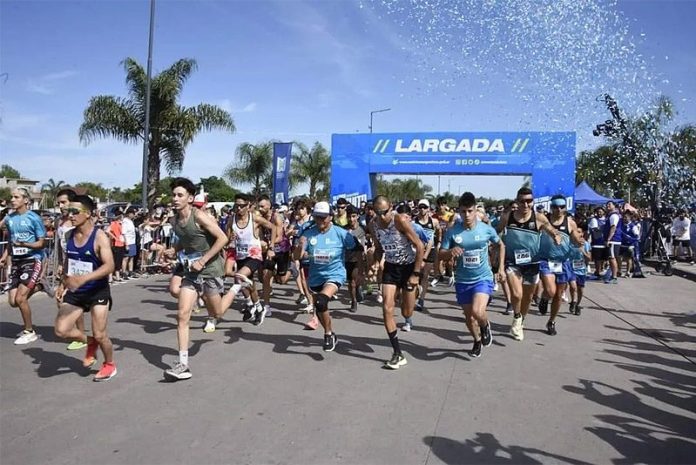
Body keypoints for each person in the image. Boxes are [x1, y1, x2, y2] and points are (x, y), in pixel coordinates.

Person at [163, 178, 227, 382]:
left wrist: (204, 260)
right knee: (182, 315)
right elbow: (185, 241)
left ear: (190, 198)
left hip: (210, 269)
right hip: (191, 271)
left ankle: (237, 286)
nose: (175, 198)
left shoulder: (199, 216)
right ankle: (183, 363)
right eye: (173, 195)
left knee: (217, 312)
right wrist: (172, 250)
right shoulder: (174, 220)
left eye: (180, 195)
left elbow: (223, 238)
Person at [54, 195, 117, 381]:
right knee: (61, 330)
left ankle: (109, 365)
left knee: (100, 334)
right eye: (68, 211)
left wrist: (83, 279)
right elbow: (69, 261)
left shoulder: (99, 236)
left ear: (88, 214)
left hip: (97, 290)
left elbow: (109, 266)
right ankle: (89, 342)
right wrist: (62, 283)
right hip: (76, 291)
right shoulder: (68, 234)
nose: (70, 215)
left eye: (75, 212)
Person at [440, 192, 505, 357]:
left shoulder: (486, 230)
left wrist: (501, 268)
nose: (467, 215)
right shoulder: (453, 232)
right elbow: (440, 254)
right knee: (469, 318)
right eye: (463, 211)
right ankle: (476, 340)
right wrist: (450, 252)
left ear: (476, 210)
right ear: (459, 211)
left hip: (483, 278)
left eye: (470, 211)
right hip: (463, 280)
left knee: (477, 312)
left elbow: (500, 245)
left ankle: (484, 326)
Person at [496, 187, 561, 342]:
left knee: (527, 297)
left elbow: (551, 230)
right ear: (517, 201)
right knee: (517, 294)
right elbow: (497, 232)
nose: (525, 205)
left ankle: (520, 321)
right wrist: (495, 246)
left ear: (533, 201)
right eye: (522, 201)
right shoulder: (508, 216)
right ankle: (517, 316)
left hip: (532, 262)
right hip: (513, 262)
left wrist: (556, 237)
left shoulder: (539, 218)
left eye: (529, 201)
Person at [294, 201, 359, 352]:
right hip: (316, 277)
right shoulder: (308, 234)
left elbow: (357, 248)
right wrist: (300, 246)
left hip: (335, 274)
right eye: (317, 217)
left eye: (324, 217)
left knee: (322, 301)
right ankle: (330, 332)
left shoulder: (340, 233)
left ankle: (328, 334)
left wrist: (360, 270)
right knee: (320, 306)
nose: (320, 221)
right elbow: (296, 256)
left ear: (331, 217)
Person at [370, 195, 424, 369]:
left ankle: (416, 290)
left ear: (391, 207)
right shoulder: (373, 224)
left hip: (409, 268)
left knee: (407, 312)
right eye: (377, 213)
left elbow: (420, 245)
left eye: (384, 212)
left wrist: (416, 274)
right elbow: (379, 248)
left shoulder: (399, 220)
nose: (381, 217)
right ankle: (397, 353)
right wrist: (377, 261)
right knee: (387, 307)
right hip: (391, 269)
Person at [219, 193, 276, 326]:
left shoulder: (254, 219)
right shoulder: (231, 219)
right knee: (247, 283)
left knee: (240, 277)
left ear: (248, 206)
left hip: (254, 255)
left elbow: (273, 228)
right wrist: (229, 241)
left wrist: (271, 246)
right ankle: (257, 306)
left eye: (242, 206)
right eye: (236, 206)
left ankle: (250, 305)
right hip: (240, 255)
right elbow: (227, 238)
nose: (238, 209)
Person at [0, 188, 48, 345]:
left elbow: (41, 243)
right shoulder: (10, 218)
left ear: (26, 200)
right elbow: (11, 242)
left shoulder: (34, 218)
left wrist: (24, 244)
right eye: (12, 197)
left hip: (32, 259)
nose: (12, 200)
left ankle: (29, 331)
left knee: (21, 299)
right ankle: (40, 286)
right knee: (13, 302)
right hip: (17, 261)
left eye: (16, 197)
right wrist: (4, 257)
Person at [536, 195, 584, 335]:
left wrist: (578, 241)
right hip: (546, 260)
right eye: (556, 206)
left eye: (562, 207)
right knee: (550, 290)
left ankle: (551, 321)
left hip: (563, 262)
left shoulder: (570, 222)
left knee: (558, 295)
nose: (559, 209)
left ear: (565, 207)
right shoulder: (544, 221)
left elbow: (574, 236)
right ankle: (544, 298)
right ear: (551, 207)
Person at [414, 199, 440, 313]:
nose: (422, 209)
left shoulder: (433, 221)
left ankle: (421, 300)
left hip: (431, 250)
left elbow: (439, 231)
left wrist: (439, 242)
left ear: (428, 208)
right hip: (417, 251)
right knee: (416, 274)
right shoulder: (414, 221)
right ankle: (415, 294)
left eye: (424, 207)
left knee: (425, 275)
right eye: (420, 207)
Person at [345, 205, 367, 312]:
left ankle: (358, 289)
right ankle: (353, 301)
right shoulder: (344, 230)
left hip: (358, 259)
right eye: (349, 217)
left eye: (353, 216)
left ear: (358, 216)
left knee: (356, 281)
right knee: (351, 282)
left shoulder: (362, 229)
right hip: (347, 259)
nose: (351, 219)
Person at [603, 201, 623, 284]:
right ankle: (612, 275)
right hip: (613, 240)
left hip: (613, 240)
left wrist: (608, 239)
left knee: (612, 258)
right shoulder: (610, 215)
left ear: (614, 206)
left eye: (610, 204)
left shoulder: (614, 215)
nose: (608, 205)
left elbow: (613, 227)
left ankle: (614, 277)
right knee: (611, 258)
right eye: (607, 204)